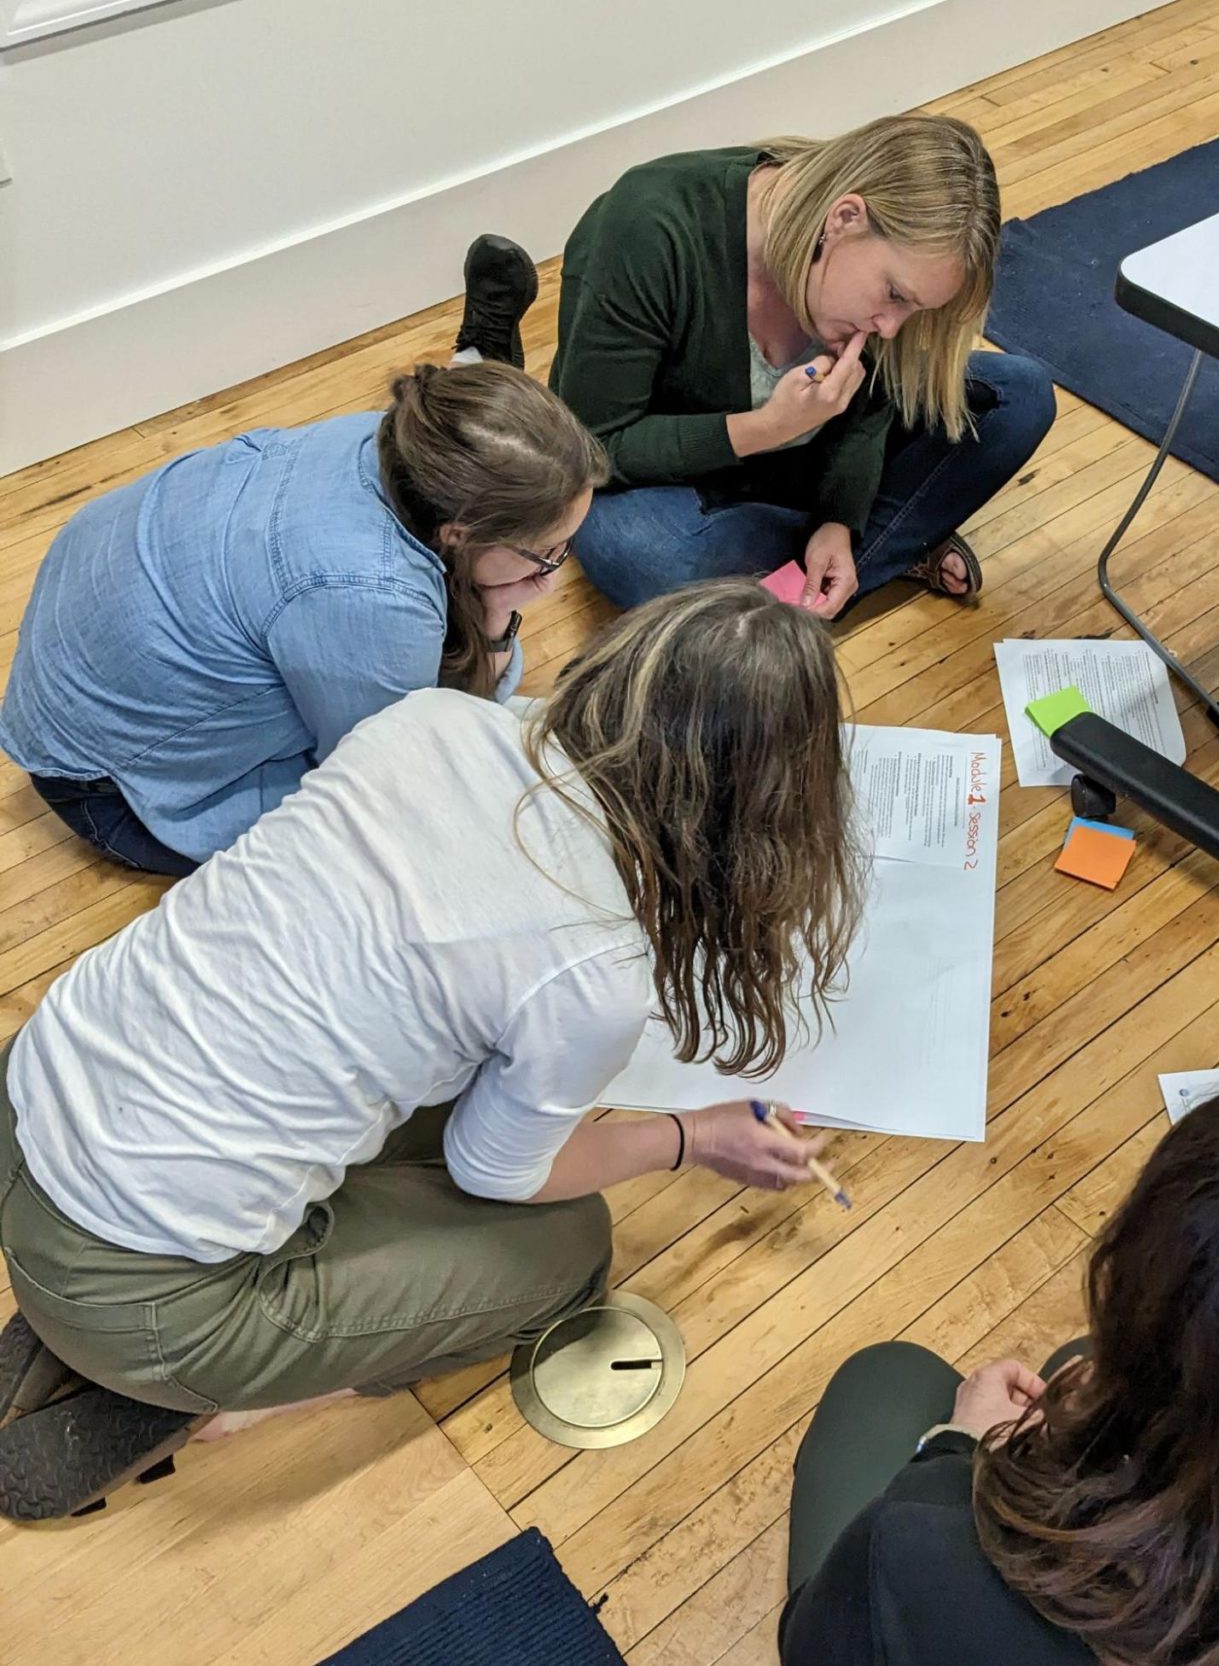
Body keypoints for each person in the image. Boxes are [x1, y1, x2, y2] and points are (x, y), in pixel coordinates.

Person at [0, 580, 866, 1521]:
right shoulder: (597, 966)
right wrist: (688, 1139)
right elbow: (499, 1174)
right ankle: (228, 1394)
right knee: (568, 1253)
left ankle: (134, 1315)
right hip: (150, 1296)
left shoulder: (433, 721)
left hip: (33, 1100)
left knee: (445, 1094)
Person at [0, 363, 604, 875]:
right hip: (107, 791)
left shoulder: (384, 441)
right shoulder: (369, 594)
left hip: (74, 667)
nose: (552, 574)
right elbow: (391, 763)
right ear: (458, 532)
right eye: (546, 552)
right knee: (434, 821)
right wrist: (497, 615)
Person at [455, 114, 1057, 617]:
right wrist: (768, 427)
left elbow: (869, 407)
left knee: (1019, 398)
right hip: (664, 473)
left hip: (794, 469)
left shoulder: (872, 285)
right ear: (843, 220)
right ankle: (872, 552)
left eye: (915, 310)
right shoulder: (650, 225)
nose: (892, 326)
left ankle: (783, 592)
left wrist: (839, 522)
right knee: (647, 556)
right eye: (894, 295)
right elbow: (594, 446)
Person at [779, 1068, 1219, 1665]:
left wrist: (954, 1450)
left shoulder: (919, 1550)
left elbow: (812, 1644)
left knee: (887, 1376)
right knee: (1072, 1363)